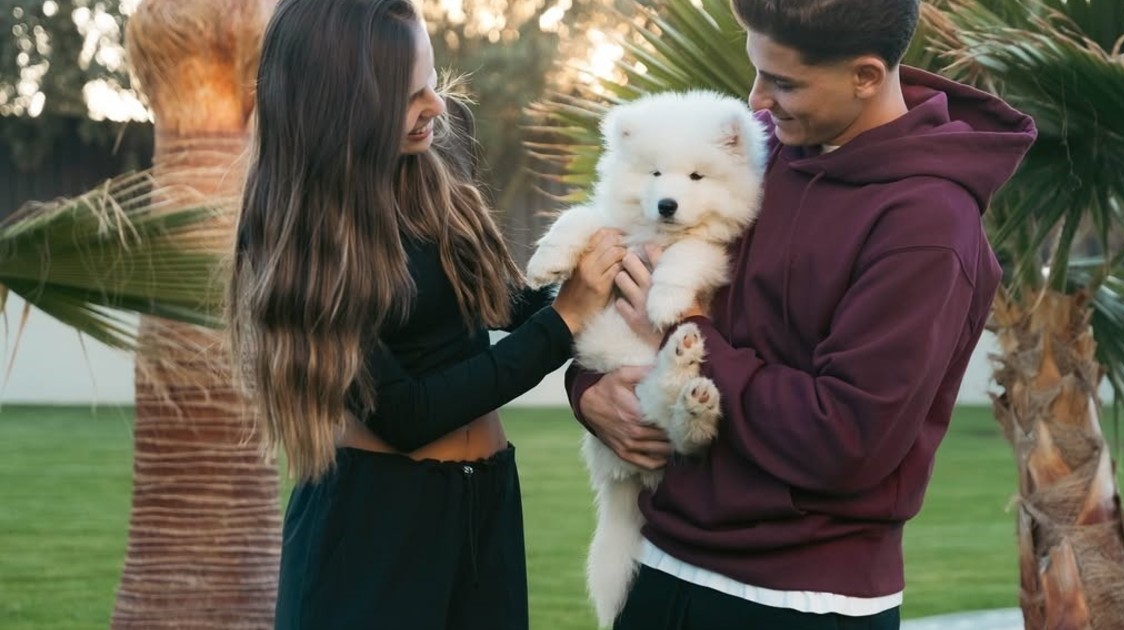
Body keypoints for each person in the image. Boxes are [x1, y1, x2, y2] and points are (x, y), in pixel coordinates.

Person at [566, 0, 1037, 628]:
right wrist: (589, 393)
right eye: (757, 70)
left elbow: (846, 439)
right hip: (660, 561)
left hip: (798, 598)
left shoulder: (927, 225)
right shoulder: (760, 153)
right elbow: (627, 287)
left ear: (865, 76)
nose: (757, 100)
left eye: (784, 82)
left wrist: (687, 329)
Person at [226, 0, 625, 628]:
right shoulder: (299, 236)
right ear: (343, 106)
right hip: (376, 526)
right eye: (409, 96)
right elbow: (405, 416)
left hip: (486, 500)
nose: (436, 105)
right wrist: (563, 322)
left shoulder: (430, 173)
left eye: (431, 81)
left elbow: (502, 302)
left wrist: (601, 287)